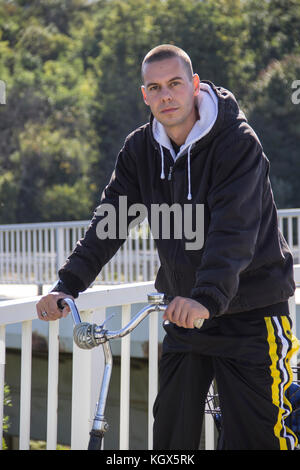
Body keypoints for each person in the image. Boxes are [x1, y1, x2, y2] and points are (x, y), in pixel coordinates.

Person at [36, 44, 299, 450]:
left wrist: (206, 297)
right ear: (145, 95)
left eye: (175, 84)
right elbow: (110, 221)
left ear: (194, 85)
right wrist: (67, 285)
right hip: (185, 317)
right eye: (155, 87)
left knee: (257, 438)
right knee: (171, 437)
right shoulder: (140, 149)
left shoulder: (236, 142)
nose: (166, 95)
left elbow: (235, 231)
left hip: (252, 314)